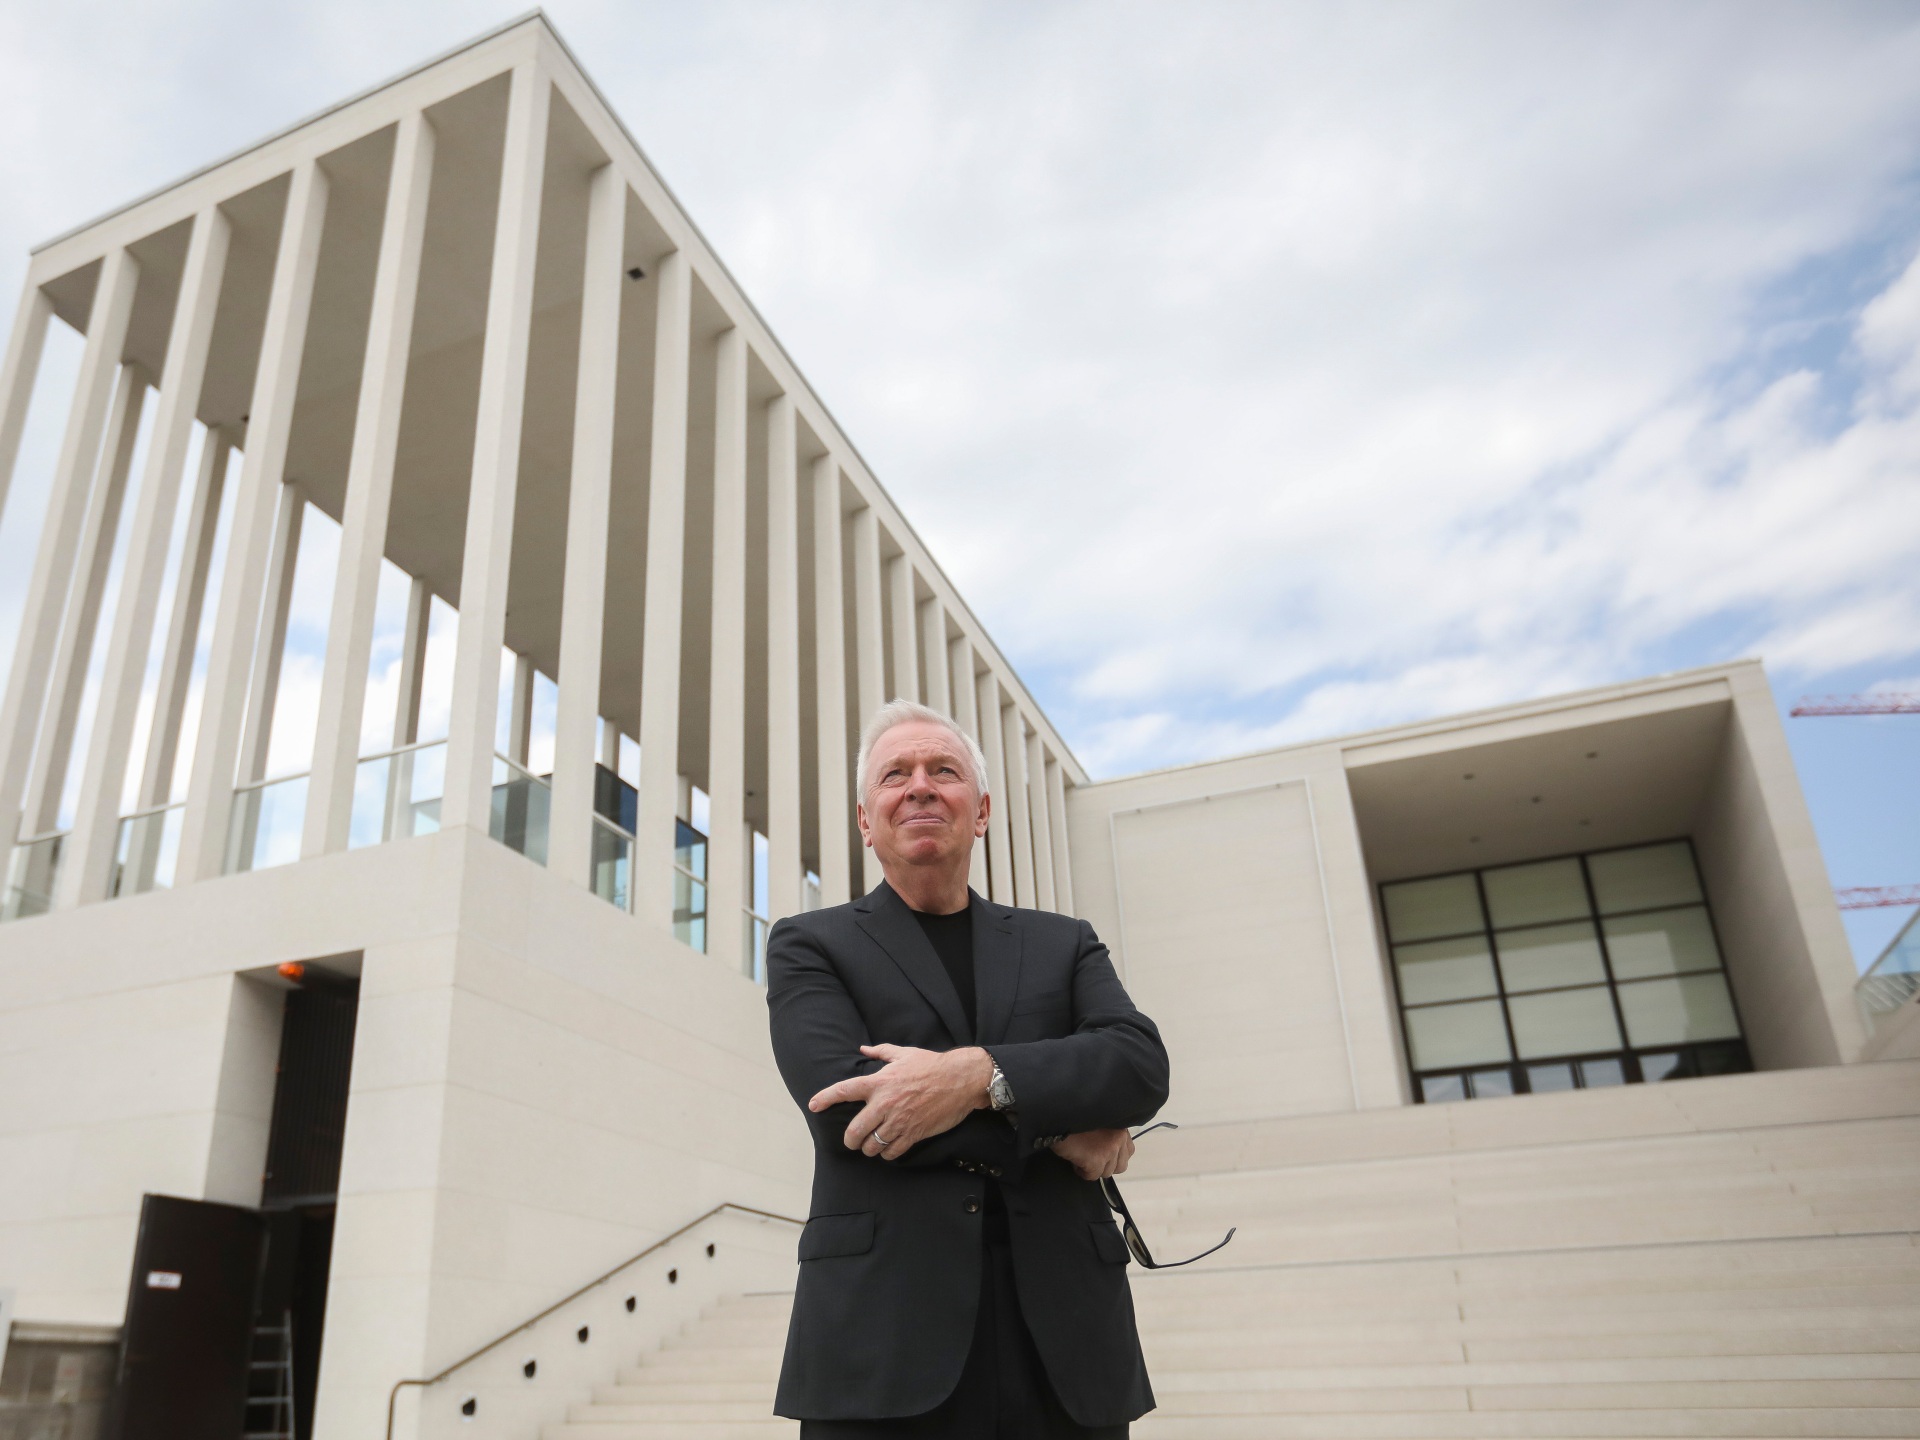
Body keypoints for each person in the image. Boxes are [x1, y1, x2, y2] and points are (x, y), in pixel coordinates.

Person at [766, 699, 1169, 1437]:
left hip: (1068, 1349)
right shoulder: (809, 945)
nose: (920, 785)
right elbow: (847, 1113)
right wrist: (1051, 1130)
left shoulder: (1063, 943)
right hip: (883, 1344)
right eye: (896, 774)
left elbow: (1138, 1065)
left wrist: (977, 1076)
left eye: (942, 771)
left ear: (980, 812)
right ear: (866, 819)